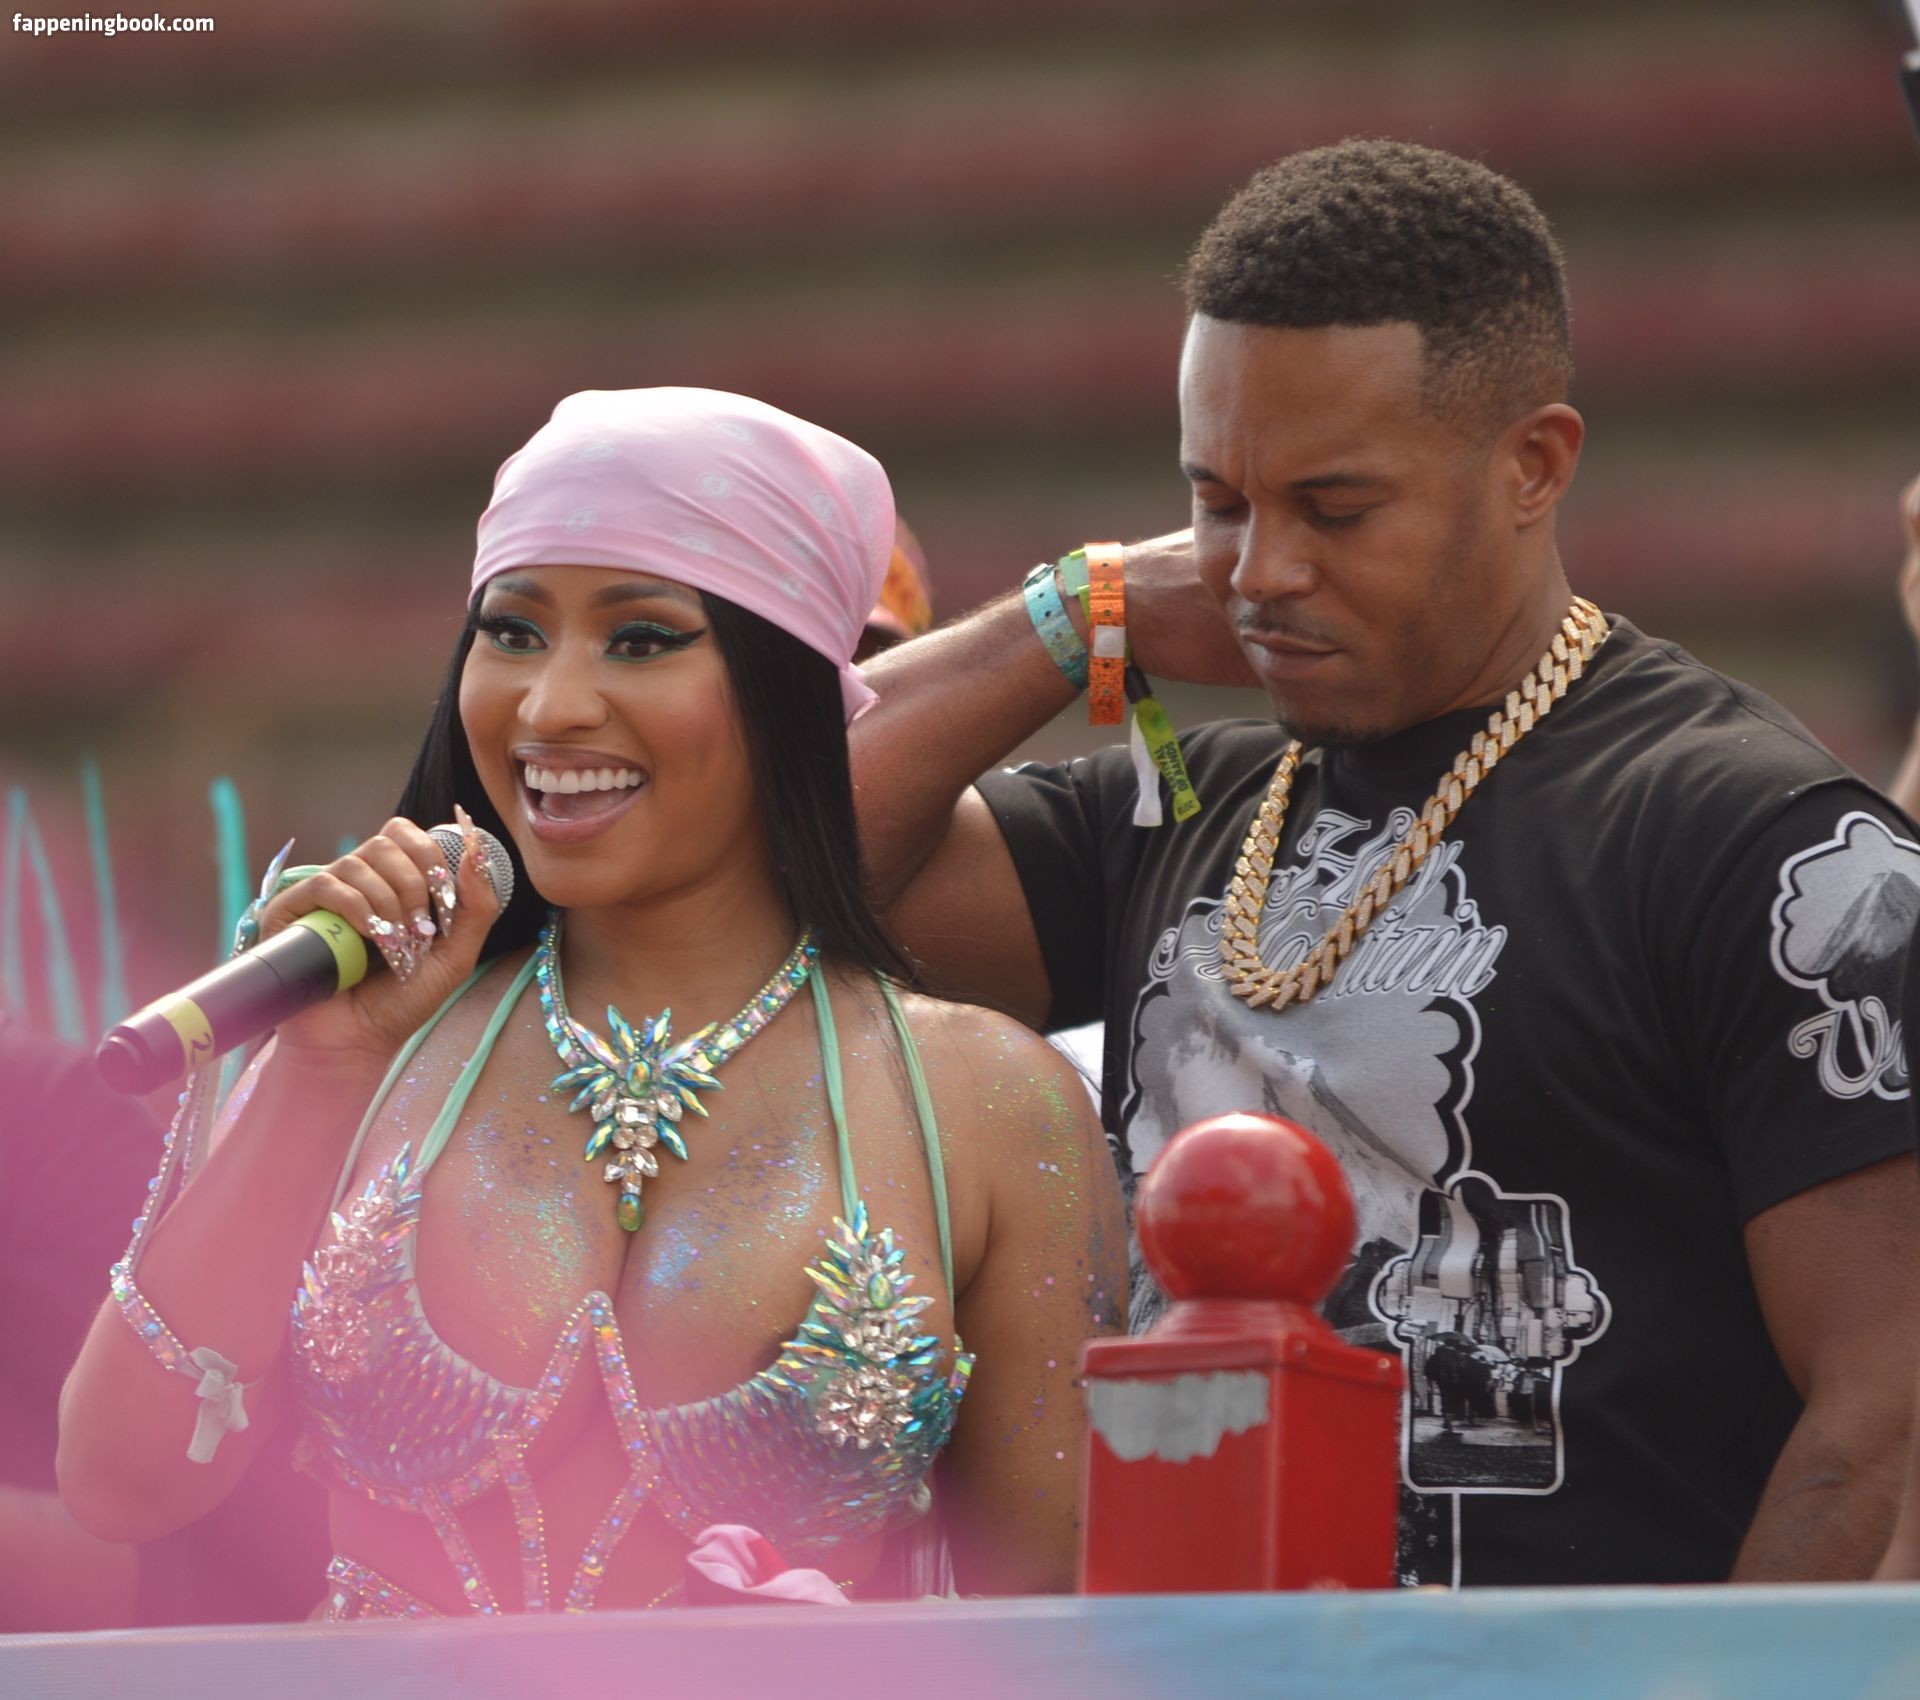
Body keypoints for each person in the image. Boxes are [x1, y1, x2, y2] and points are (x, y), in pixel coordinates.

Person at [850, 141, 1920, 1587]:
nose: (1259, 572)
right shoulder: (1186, 807)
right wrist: (1085, 607)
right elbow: (783, 856)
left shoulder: (1755, 838)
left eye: (1334, 509)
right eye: (1219, 502)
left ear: (1534, 465)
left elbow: (1884, 1419)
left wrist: (1706, 1686)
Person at [57, 387, 1126, 1616]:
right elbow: (118, 1482)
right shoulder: (368, 1043)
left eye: (640, 638)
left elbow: (1052, 1626)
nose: (550, 704)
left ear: (788, 689)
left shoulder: (991, 1106)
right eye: (512, 631)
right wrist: (319, 1069)